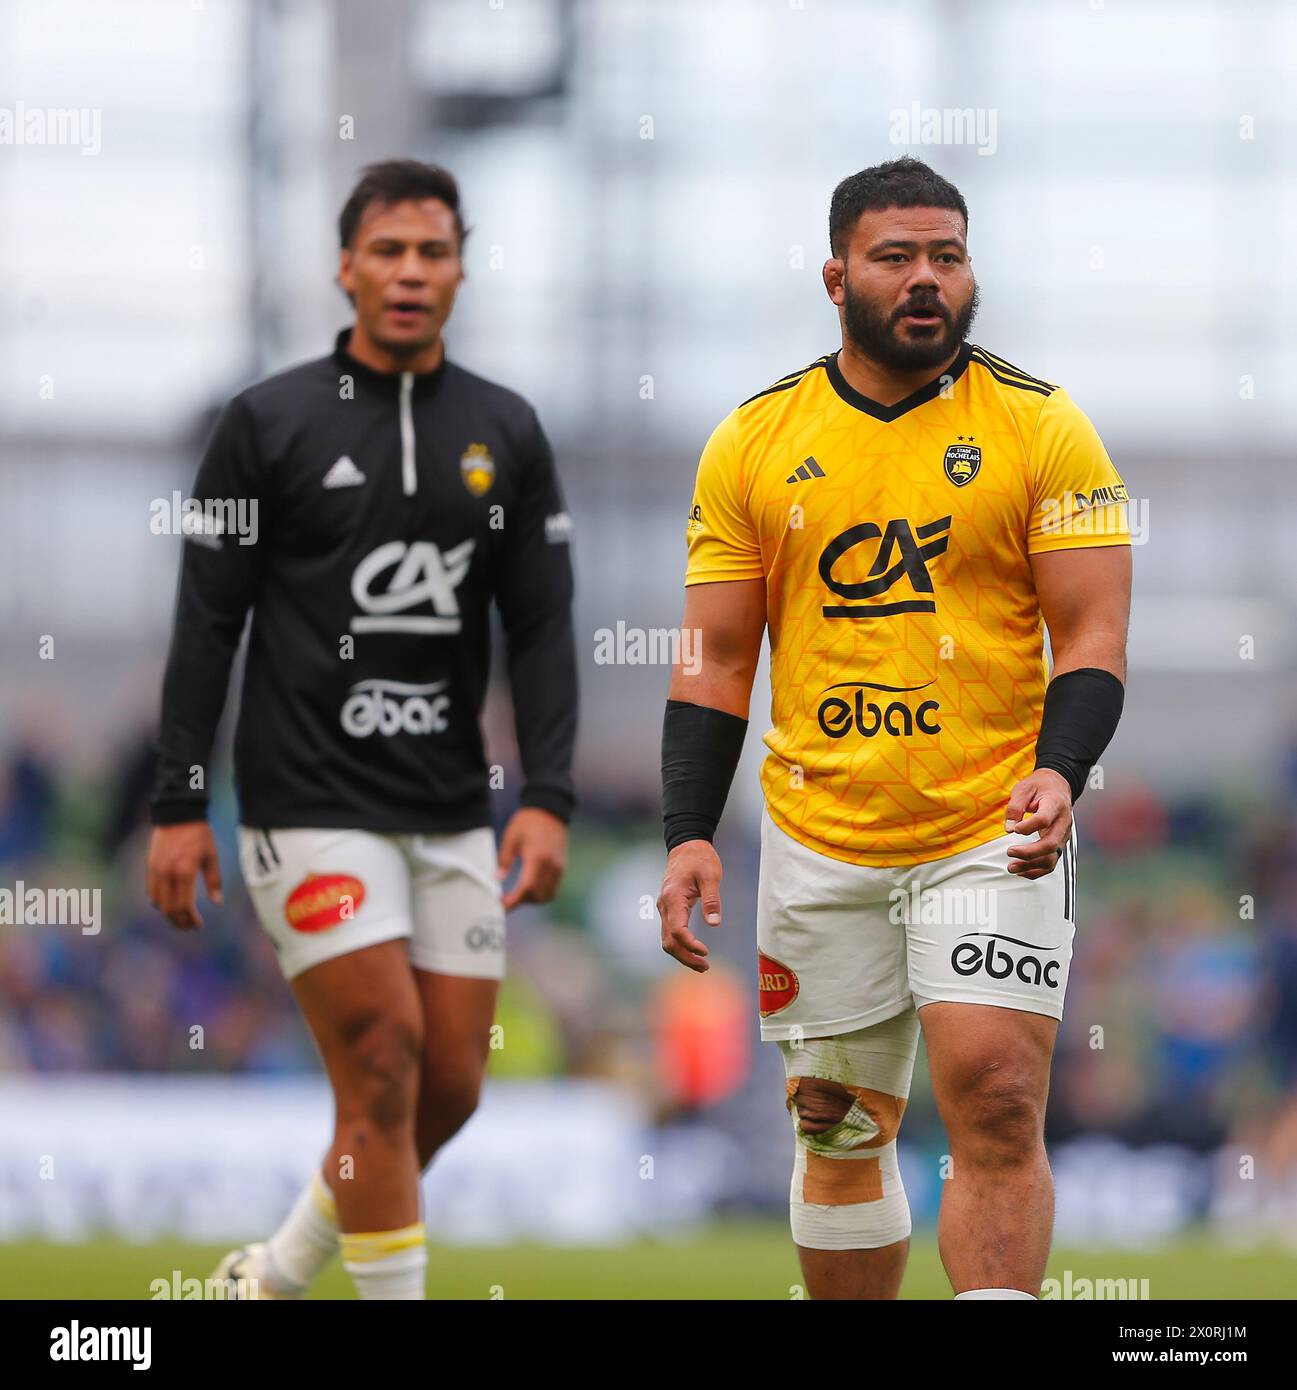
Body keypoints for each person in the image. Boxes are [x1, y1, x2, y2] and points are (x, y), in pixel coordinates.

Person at [657, 157, 1130, 1300]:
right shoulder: (754, 441)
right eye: (896, 257)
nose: (927, 280)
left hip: (991, 822)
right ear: (835, 277)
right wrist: (688, 829)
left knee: (996, 1095)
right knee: (836, 1129)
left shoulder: (1043, 426)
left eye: (947, 256)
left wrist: (1062, 771)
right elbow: (716, 658)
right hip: (821, 837)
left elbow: (1093, 637)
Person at [147, 159, 577, 1300]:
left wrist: (548, 795)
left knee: (446, 1088)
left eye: (431, 252)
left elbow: (540, 627)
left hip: (447, 807)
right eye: (386, 250)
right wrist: (179, 802)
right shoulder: (266, 423)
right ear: (345, 268)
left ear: (460, 271)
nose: (408, 272)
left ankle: (276, 1273)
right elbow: (206, 623)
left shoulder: (507, 431)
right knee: (381, 1056)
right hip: (307, 797)